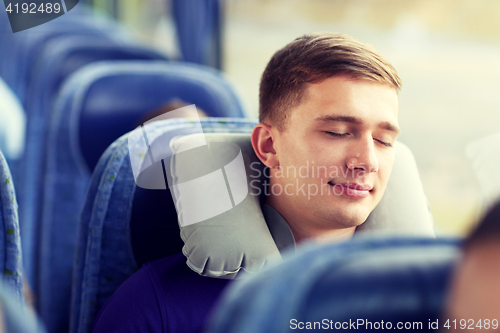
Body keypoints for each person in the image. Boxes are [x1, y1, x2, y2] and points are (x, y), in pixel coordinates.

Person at [92, 32, 402, 332]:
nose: (367, 161)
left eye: (384, 140)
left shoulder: (427, 301)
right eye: (336, 132)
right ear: (268, 146)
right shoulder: (155, 311)